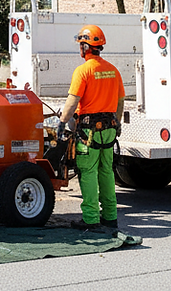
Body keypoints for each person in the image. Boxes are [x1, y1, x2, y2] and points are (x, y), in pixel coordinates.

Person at [59, 23, 125, 232]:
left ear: (85, 47)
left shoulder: (83, 71)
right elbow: (120, 100)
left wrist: (62, 122)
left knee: (87, 172)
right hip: (109, 129)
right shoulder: (113, 70)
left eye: (80, 45)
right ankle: (110, 216)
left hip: (89, 132)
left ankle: (90, 219)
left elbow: (72, 101)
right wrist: (118, 122)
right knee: (106, 171)